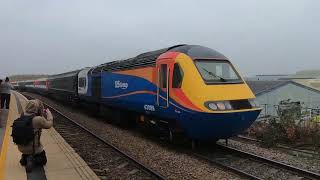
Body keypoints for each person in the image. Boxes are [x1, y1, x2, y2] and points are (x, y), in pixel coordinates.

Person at [16, 99, 53, 172]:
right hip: (34, 149)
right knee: (43, 160)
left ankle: (24, 157)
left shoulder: (22, 115)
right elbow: (49, 125)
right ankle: (31, 160)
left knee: (29, 147)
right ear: (37, 108)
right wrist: (49, 114)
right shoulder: (38, 119)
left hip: (21, 148)